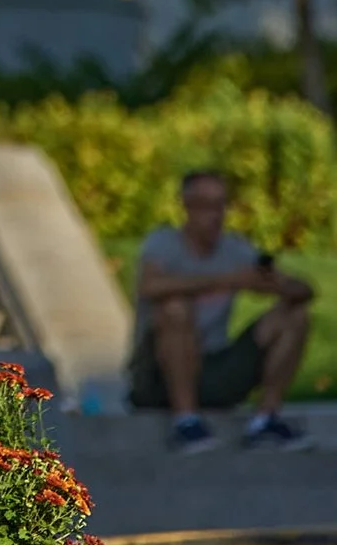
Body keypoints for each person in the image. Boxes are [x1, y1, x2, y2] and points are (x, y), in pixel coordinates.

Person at [129, 168, 315, 447]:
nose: (215, 215)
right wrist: (226, 280)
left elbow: (303, 290)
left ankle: (265, 420)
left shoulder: (235, 249)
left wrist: (273, 284)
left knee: (294, 316)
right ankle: (185, 422)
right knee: (175, 309)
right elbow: (149, 286)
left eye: (221, 205)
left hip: (215, 368)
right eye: (206, 206)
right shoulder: (163, 243)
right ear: (187, 207)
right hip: (157, 375)